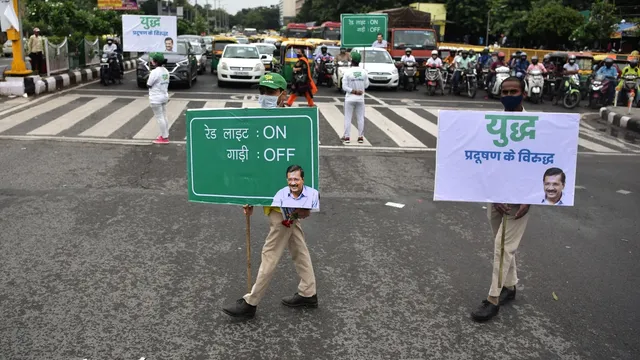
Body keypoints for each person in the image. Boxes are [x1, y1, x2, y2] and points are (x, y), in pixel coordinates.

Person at [222, 165, 319, 319]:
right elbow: (265, 174)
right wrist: (252, 200)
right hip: (286, 206)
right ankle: (308, 292)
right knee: (299, 249)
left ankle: (251, 302)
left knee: (270, 254)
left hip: (283, 210)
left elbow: (267, 171)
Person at [471, 76, 531, 322]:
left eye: (513, 91)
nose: (508, 95)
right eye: (504, 91)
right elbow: (487, 162)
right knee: (504, 243)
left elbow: (544, 163)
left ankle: (493, 298)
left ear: (522, 94)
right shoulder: (493, 124)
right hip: (496, 197)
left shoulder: (536, 125)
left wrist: (530, 197)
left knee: (502, 246)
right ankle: (511, 286)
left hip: (520, 199)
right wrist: (492, 193)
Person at [341, 52, 369, 144]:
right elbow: (366, 85)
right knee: (360, 118)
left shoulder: (347, 72)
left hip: (349, 98)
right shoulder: (364, 72)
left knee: (348, 118)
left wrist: (353, 91)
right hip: (360, 99)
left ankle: (347, 137)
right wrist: (359, 89)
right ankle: (360, 137)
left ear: (351, 61)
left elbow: (344, 87)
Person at [146, 53, 170, 144]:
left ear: (155, 62)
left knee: (160, 117)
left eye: (152, 60)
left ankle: (164, 138)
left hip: (156, 98)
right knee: (164, 116)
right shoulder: (166, 71)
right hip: (164, 96)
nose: (151, 61)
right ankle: (165, 134)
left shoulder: (154, 72)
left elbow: (148, 84)